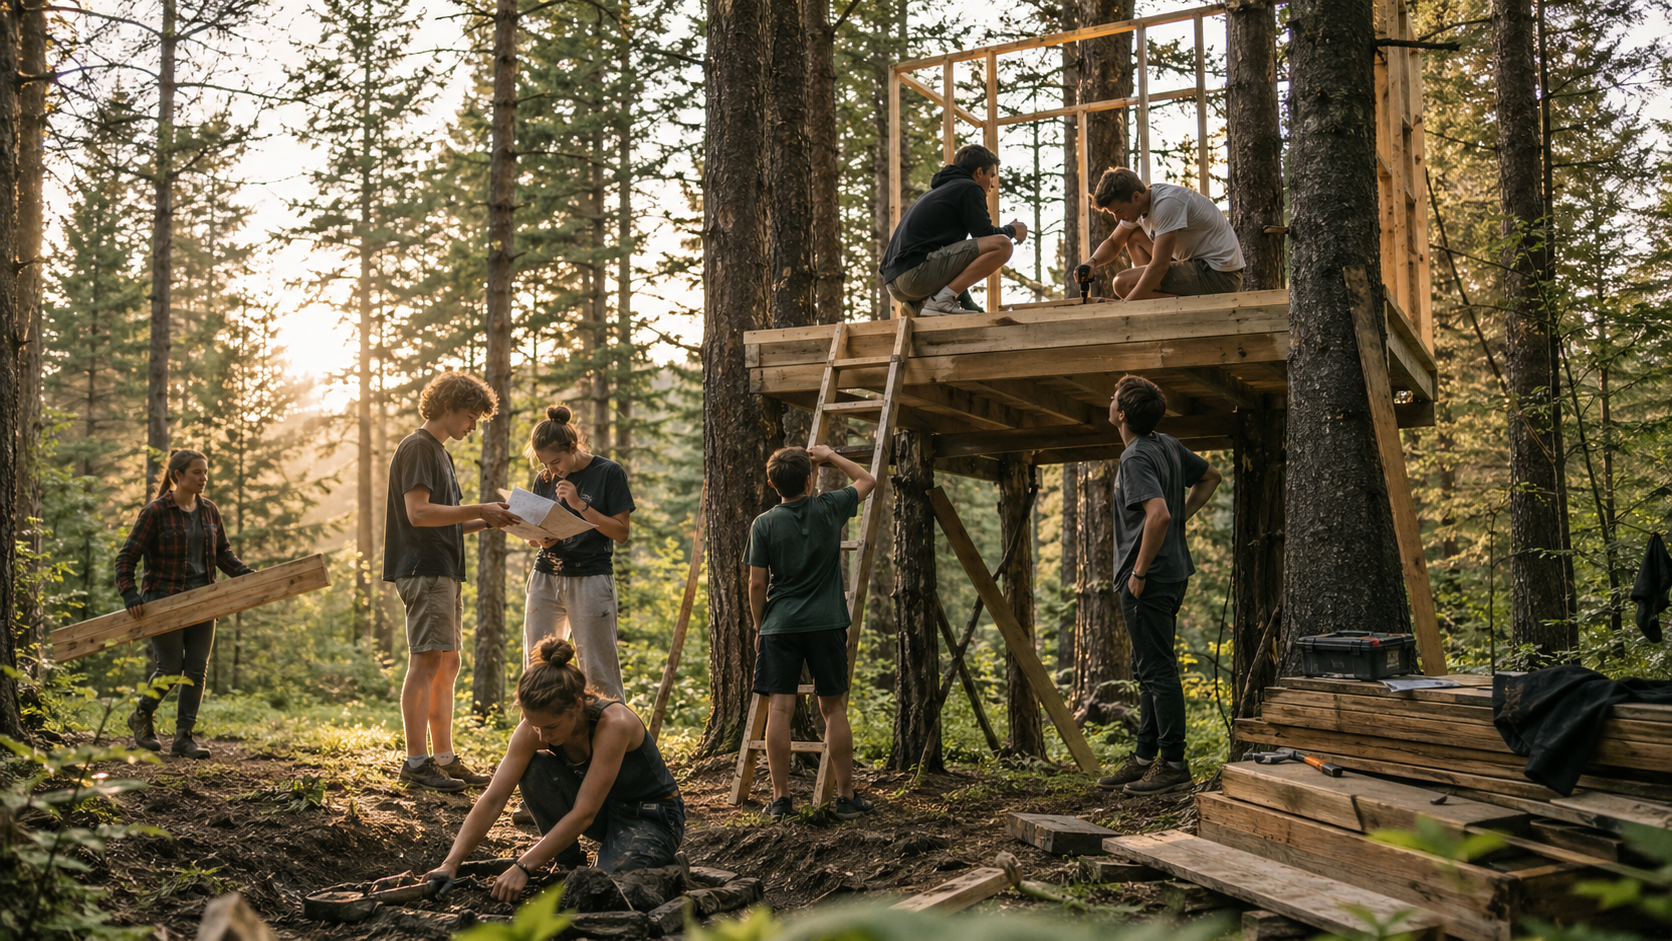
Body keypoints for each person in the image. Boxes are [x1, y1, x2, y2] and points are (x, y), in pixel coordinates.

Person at [425, 637, 684, 898]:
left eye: (551, 727)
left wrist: (523, 867)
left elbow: (584, 813)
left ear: (578, 706)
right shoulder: (534, 730)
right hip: (608, 812)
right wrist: (451, 863)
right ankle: (569, 863)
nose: (542, 735)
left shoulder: (615, 724)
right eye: (534, 725)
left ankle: (661, 862)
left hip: (652, 817)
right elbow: (493, 799)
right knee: (534, 767)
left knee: (604, 892)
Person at [385, 371, 519, 792]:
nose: (472, 426)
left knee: (448, 663)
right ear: (448, 407)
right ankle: (415, 760)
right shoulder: (419, 448)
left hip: (443, 568)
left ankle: (443, 757)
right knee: (426, 661)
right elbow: (419, 515)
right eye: (470, 416)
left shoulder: (439, 452)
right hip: (423, 570)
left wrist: (489, 520)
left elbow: (444, 523)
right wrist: (479, 506)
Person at [1096, 375, 1222, 796]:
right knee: (1148, 668)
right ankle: (1144, 757)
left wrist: (1139, 571)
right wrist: (1182, 518)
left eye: (1113, 398)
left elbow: (1159, 515)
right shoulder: (1166, 444)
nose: (1109, 401)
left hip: (1149, 580)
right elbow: (1211, 477)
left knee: (1158, 671)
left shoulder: (1135, 457)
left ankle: (1173, 764)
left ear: (1123, 414)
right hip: (1173, 573)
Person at [747, 445, 876, 822]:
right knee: (833, 709)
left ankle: (781, 799)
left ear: (772, 483)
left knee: (781, 710)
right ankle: (847, 797)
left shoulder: (764, 523)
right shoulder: (829, 507)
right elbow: (866, 480)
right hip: (827, 623)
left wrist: (760, 625)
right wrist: (829, 455)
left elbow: (757, 583)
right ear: (809, 479)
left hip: (780, 626)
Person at [117, 449, 256, 760]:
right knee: (169, 668)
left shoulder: (209, 511)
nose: (203, 478)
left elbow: (222, 553)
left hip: (205, 599)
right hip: (163, 599)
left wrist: (245, 575)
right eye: (196, 472)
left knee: (196, 669)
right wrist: (129, 593)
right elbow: (127, 556)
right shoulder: (155, 512)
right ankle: (142, 716)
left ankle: (184, 738)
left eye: (205, 472)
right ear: (177, 475)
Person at [521, 405, 634, 701]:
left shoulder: (609, 472)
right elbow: (537, 532)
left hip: (590, 577)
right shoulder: (544, 480)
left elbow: (621, 532)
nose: (552, 471)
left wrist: (580, 505)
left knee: (598, 669)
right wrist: (539, 540)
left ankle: (612, 739)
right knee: (536, 668)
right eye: (545, 464)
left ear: (573, 447)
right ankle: (544, 737)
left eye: (556, 462)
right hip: (546, 576)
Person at [879, 144, 1028, 316]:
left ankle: (924, 305)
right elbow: (985, 234)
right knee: (1002, 245)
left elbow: (956, 260)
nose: (993, 184)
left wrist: (969, 305)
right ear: (979, 172)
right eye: (992, 176)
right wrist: (1012, 230)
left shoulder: (938, 192)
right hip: (915, 276)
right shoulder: (969, 187)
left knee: (963, 249)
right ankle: (939, 302)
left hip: (895, 285)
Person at [1075, 167, 1245, 302]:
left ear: (1136, 197)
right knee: (1134, 238)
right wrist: (1092, 262)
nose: (1117, 218)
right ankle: (1149, 297)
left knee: (1122, 283)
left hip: (1219, 275)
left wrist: (1125, 306)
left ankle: (1181, 305)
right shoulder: (1143, 202)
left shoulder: (1167, 205)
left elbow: (1160, 265)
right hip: (1195, 264)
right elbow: (1113, 242)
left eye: (1119, 211)